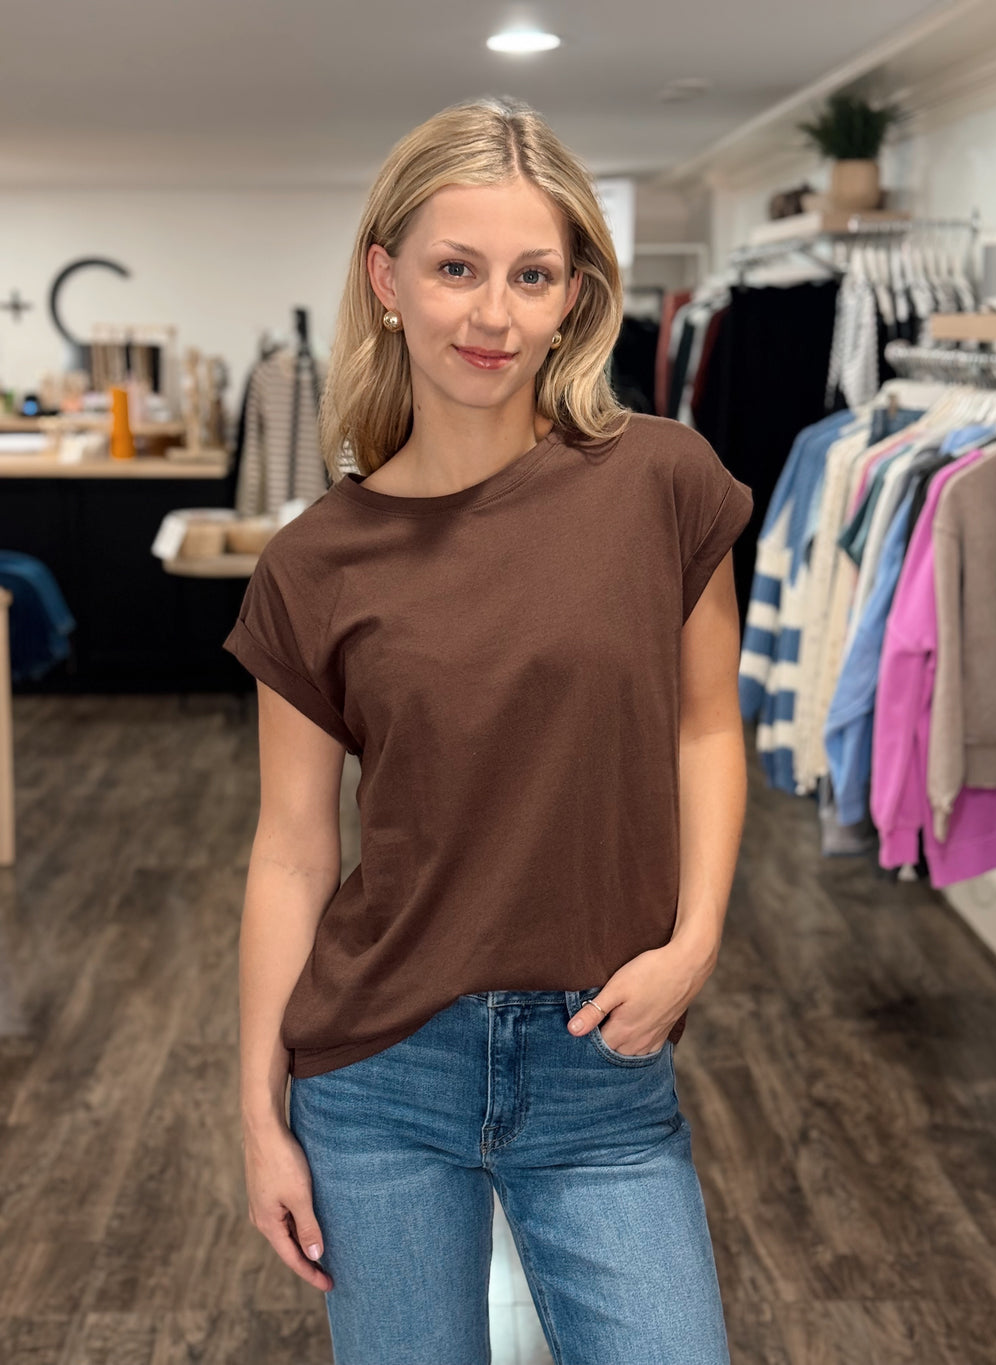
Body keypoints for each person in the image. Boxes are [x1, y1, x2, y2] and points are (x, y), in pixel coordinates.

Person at [223, 93, 753, 1365]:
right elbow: (292, 848)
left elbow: (704, 730)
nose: (493, 315)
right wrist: (257, 1114)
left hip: (601, 1064)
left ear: (574, 295)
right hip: (380, 1074)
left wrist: (693, 943)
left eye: (532, 275)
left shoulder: (663, 483)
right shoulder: (314, 563)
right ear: (386, 279)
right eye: (455, 269)